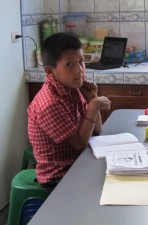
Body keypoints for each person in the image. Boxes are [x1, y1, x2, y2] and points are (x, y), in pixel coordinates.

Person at [27, 32, 111, 195]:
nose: (79, 70)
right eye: (69, 65)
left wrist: (91, 97)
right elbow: (79, 143)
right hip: (58, 177)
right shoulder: (50, 104)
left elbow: (96, 131)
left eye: (81, 62)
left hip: (77, 162)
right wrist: (93, 107)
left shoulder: (71, 88)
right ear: (50, 71)